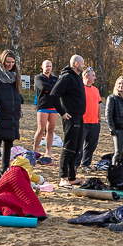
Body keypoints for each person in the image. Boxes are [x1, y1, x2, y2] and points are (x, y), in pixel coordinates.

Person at [50, 55, 87, 187]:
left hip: (79, 116)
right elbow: (54, 95)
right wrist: (62, 112)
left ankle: (72, 177)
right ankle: (63, 177)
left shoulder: (77, 77)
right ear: (76, 64)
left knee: (76, 148)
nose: (84, 65)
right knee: (69, 147)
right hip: (70, 116)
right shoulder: (66, 77)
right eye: (82, 63)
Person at [0, 50, 23, 180]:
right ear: (2, 61)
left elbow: (17, 92)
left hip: (12, 114)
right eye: (7, 62)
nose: (10, 65)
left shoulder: (15, 75)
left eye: (12, 62)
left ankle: (5, 170)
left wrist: (19, 99)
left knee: (9, 143)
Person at [31, 60, 59, 163]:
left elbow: (59, 89)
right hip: (43, 106)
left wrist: (50, 89)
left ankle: (48, 152)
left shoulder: (55, 78)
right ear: (42, 67)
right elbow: (42, 87)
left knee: (50, 130)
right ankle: (34, 151)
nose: (49, 68)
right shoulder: (38, 78)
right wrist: (53, 88)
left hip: (53, 107)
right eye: (47, 66)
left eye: (50, 66)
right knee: (41, 129)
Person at [80, 68, 101, 168]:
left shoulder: (96, 90)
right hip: (82, 122)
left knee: (91, 145)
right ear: (86, 76)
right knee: (78, 145)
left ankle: (86, 164)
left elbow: (98, 105)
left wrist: (99, 120)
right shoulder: (79, 89)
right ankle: (75, 164)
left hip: (95, 123)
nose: (95, 78)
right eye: (93, 76)